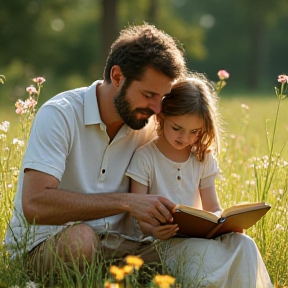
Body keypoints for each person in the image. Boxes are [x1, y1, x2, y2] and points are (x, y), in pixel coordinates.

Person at [5, 23, 187, 279]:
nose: (157, 108)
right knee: (81, 241)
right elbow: (34, 204)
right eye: (148, 94)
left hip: (124, 247)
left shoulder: (146, 126)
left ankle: (113, 278)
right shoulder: (60, 114)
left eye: (162, 97)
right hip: (52, 244)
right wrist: (125, 202)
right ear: (117, 77)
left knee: (189, 253)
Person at [126, 76, 273, 287]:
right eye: (177, 128)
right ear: (161, 117)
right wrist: (153, 230)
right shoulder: (145, 157)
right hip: (162, 242)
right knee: (200, 254)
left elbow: (212, 207)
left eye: (194, 132)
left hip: (199, 238)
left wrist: (223, 225)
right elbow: (138, 215)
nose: (185, 138)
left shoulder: (202, 158)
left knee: (245, 244)